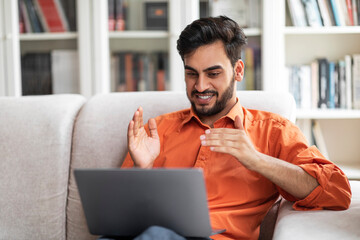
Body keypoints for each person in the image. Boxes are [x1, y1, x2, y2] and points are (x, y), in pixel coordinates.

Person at [121, 16, 351, 240]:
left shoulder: (273, 130)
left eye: (213, 73)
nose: (200, 86)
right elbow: (117, 214)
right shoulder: (157, 130)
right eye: (192, 74)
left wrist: (256, 159)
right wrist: (143, 170)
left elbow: (337, 192)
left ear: (238, 71)